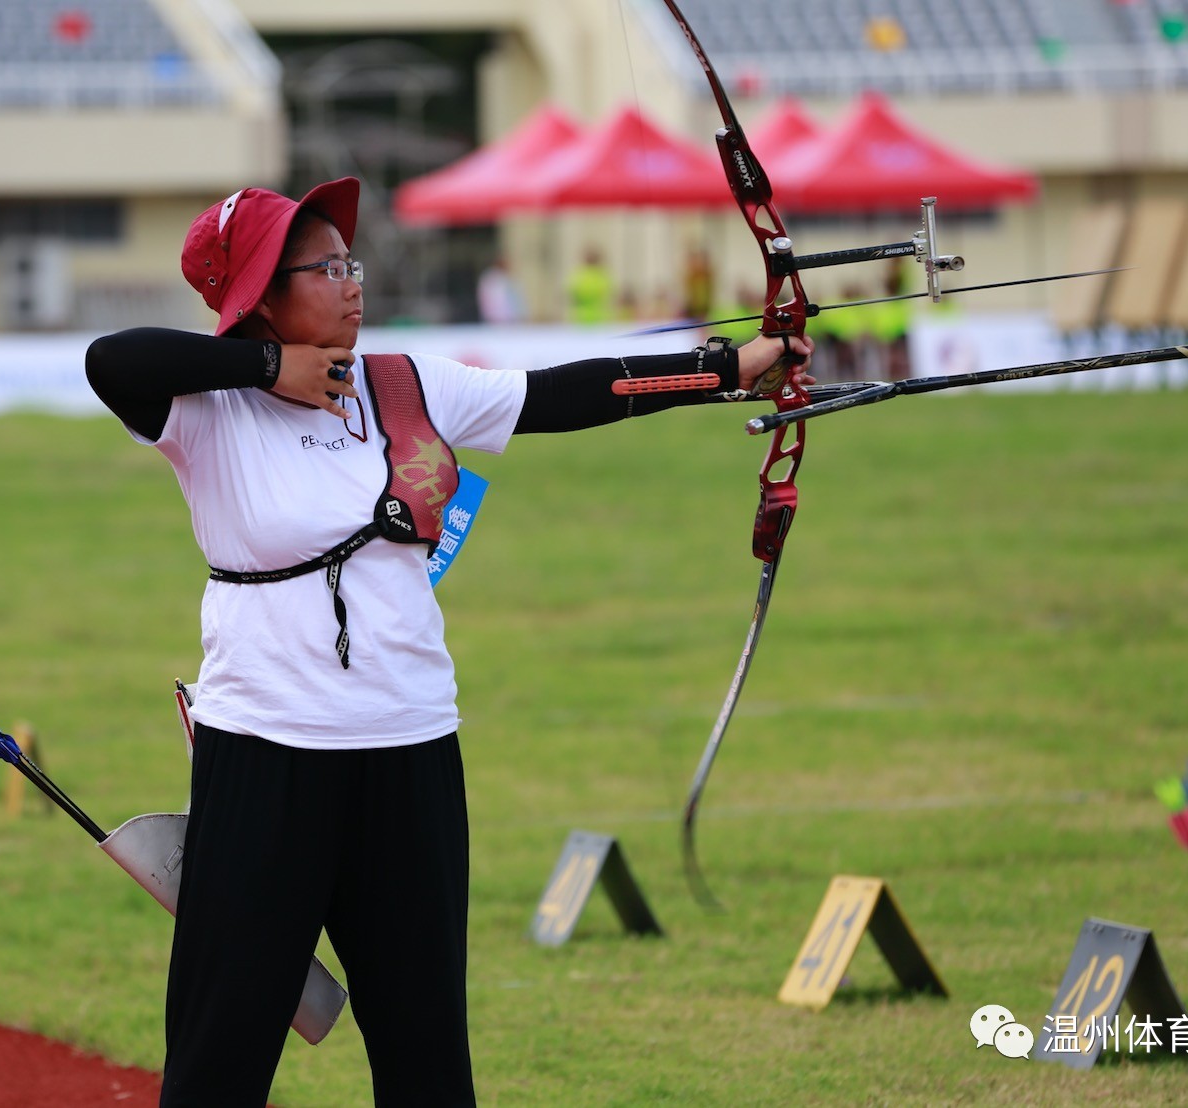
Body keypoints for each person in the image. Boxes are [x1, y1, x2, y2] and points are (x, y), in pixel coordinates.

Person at [83, 177, 813, 1108]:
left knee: (425, 1048)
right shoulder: (206, 413)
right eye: (323, 267)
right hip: (266, 752)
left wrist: (727, 366)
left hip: (409, 748)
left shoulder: (403, 383)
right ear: (262, 292)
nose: (352, 282)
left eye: (351, 262)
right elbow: (115, 358)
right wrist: (273, 371)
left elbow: (560, 393)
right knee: (221, 1050)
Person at [565, 246, 615, 324]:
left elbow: (606, 293)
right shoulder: (580, 273)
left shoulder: (601, 275)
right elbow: (572, 293)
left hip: (597, 316)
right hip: (582, 316)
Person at [476, 256, 525, 323]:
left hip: (510, 319)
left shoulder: (508, 278)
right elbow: (487, 299)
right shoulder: (490, 277)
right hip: (495, 318)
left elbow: (515, 300)